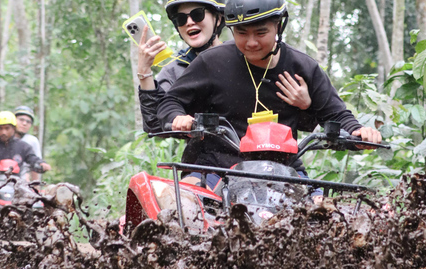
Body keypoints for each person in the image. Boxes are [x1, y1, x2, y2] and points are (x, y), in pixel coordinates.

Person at [156, 0, 382, 190]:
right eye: (242, 33)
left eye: (261, 32)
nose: (251, 42)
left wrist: (359, 133)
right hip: (217, 169)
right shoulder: (211, 62)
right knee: (184, 205)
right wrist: (178, 117)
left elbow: (337, 115)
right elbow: (170, 101)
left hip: (285, 171)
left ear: (278, 27)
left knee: (324, 216)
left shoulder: (303, 67)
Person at [138, 0, 226, 133]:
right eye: (181, 18)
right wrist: (144, 71)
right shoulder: (174, 70)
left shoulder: (240, 55)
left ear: (218, 19)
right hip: (203, 150)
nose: (189, 22)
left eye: (197, 14)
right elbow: (156, 126)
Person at [0, 111, 51, 177]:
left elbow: (32, 158)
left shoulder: (23, 146)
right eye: (0, 128)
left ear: (14, 129)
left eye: (7, 128)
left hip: (16, 184)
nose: (4, 132)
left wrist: (41, 164)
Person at [13, 106, 42, 180]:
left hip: (23, 179)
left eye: (28, 122)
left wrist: (36, 188)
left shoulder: (32, 141)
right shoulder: (3, 138)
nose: (24, 123)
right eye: (21, 120)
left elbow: (35, 167)